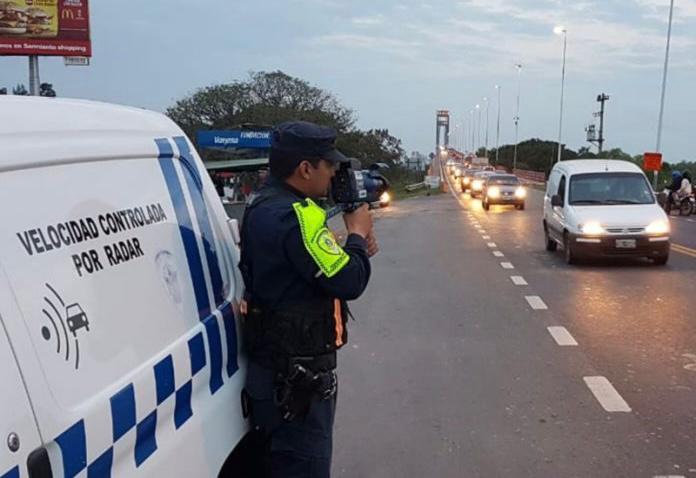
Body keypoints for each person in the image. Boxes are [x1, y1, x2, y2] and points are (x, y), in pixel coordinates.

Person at [239, 120, 378, 478]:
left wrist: (353, 247)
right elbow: (349, 280)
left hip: (274, 374)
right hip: (297, 384)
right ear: (305, 168)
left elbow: (311, 268)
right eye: (328, 166)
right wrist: (357, 234)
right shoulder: (298, 217)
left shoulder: (262, 204)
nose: (333, 174)